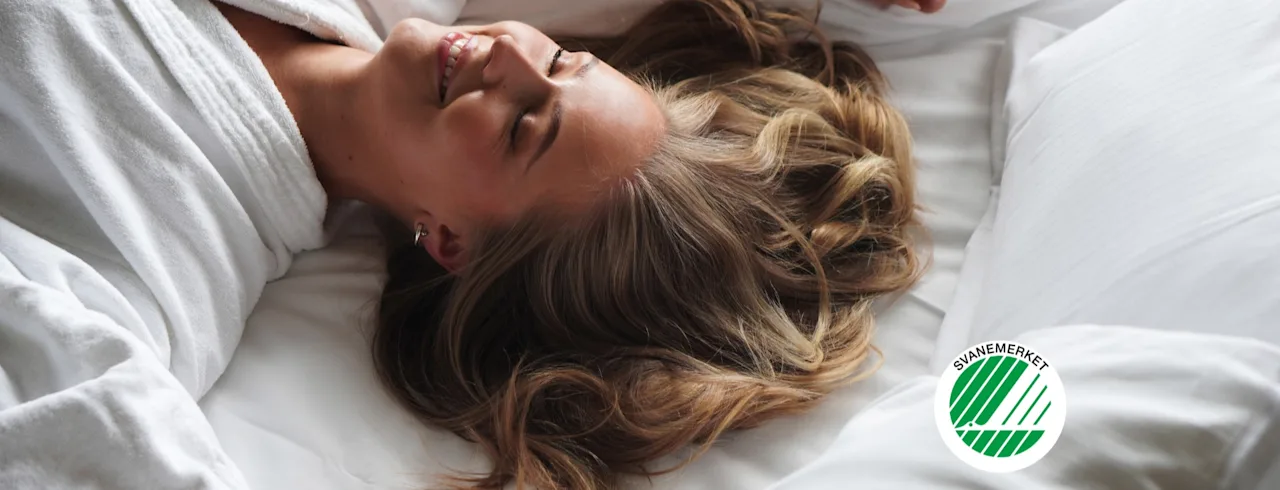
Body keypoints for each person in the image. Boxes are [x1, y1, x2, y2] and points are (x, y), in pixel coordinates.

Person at [0, 0, 940, 488]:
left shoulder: (150, 255)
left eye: (526, 127)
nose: (511, 56)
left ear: (451, 242)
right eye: (567, 63)